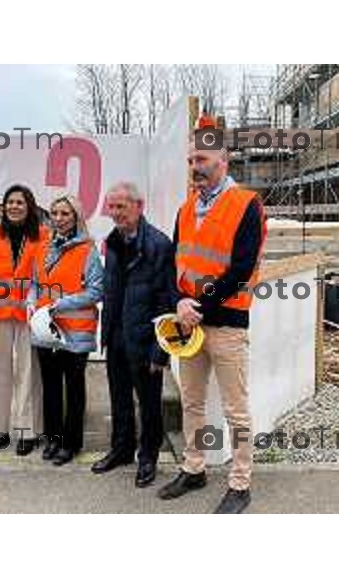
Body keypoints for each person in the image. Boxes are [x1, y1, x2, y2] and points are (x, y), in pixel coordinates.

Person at [157, 144, 267, 514]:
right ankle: (194, 468)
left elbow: (241, 269)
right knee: (192, 403)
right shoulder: (186, 208)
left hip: (226, 324)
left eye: (201, 160)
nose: (194, 167)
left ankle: (240, 483)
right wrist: (178, 302)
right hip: (190, 324)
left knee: (236, 409)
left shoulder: (246, 204)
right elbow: (174, 262)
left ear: (223, 162)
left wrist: (196, 306)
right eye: (190, 160)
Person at [91, 182, 176, 488]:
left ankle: (148, 456)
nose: (114, 214)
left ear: (139, 206)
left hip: (144, 339)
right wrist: (106, 335)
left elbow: (167, 302)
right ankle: (122, 449)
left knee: (150, 403)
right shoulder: (112, 242)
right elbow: (112, 292)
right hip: (115, 337)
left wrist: (159, 351)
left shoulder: (159, 245)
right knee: (119, 400)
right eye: (111, 207)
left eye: (121, 207)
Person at [29, 194, 103, 465]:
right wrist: (32, 303)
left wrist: (59, 304)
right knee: (50, 387)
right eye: (55, 213)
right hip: (45, 329)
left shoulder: (88, 250)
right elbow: (36, 282)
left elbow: (96, 290)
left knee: (73, 388)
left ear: (76, 218)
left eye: (65, 214)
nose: (59, 219)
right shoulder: (43, 246)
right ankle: (53, 438)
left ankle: (71, 444)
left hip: (75, 331)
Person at [0, 184, 49, 457]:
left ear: (29, 207)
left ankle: (27, 431)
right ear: (3, 207)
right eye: (10, 202)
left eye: (20, 202)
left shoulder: (43, 235)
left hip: (28, 314)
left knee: (28, 371)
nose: (14, 206)